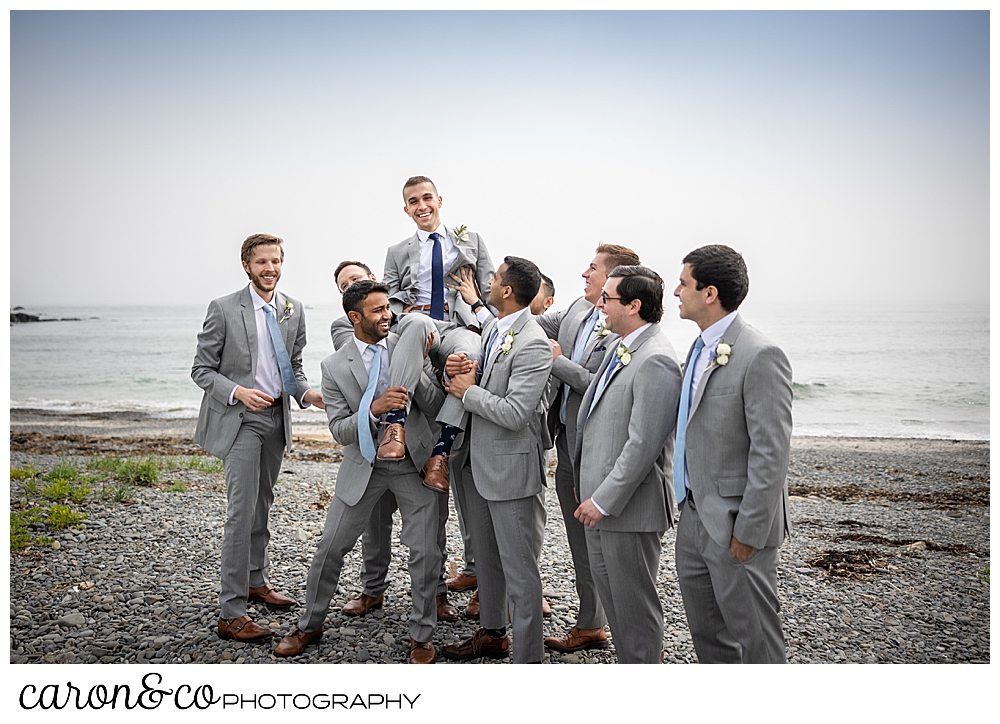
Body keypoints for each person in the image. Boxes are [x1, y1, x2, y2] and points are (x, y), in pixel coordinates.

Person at [274, 280, 444, 663]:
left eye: (389, 308)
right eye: (379, 310)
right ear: (355, 317)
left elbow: (433, 405)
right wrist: (373, 409)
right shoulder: (334, 367)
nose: (389, 315)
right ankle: (309, 624)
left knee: (425, 552)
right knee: (330, 546)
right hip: (363, 465)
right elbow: (338, 430)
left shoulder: (407, 344)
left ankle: (422, 635)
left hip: (411, 466)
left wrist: (417, 377)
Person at [192, 233, 323, 643]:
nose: (270, 269)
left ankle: (255, 581)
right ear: (247, 266)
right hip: (240, 420)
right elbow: (202, 370)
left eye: (276, 261)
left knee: (261, 507)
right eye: (262, 262)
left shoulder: (292, 309)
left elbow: (293, 368)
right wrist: (238, 391)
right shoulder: (224, 308)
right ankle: (231, 612)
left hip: (276, 422)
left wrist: (309, 394)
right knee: (240, 512)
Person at [672, 244, 793, 664]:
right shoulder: (697, 348)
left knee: (756, 639)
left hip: (736, 526)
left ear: (709, 293)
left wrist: (749, 534)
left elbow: (771, 453)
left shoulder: (760, 354)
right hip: (692, 516)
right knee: (708, 636)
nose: (675, 292)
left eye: (683, 283)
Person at [329, 261, 460, 623]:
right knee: (374, 524)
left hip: (416, 441)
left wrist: (418, 344)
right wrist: (410, 347)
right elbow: (362, 358)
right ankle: (373, 590)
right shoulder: (346, 326)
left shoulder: (400, 320)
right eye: (344, 285)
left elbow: (432, 357)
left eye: (356, 278)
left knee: (431, 530)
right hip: (373, 447)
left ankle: (436, 595)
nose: (350, 284)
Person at [439, 257, 552, 663]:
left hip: (510, 469)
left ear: (506, 291)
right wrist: (461, 368)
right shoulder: (496, 328)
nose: (488, 281)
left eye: (494, 277)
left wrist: (468, 392)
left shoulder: (533, 342)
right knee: (486, 560)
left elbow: (515, 412)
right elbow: (483, 379)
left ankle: (527, 660)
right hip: (477, 463)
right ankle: (491, 633)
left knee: (520, 573)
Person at [534, 244, 639, 654]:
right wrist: (478, 308)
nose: (584, 274)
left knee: (609, 549)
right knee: (580, 544)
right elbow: (537, 323)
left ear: (615, 278)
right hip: (565, 442)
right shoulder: (579, 308)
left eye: (593, 269)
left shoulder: (624, 332)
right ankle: (590, 623)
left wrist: (557, 361)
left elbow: (598, 383)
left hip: (598, 452)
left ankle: (639, 635)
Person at [573, 265, 681, 663]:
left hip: (628, 509)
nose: (600, 303)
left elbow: (642, 446)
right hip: (599, 502)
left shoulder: (655, 359)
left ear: (634, 305)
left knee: (635, 609)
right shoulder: (623, 347)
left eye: (608, 298)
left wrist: (602, 500)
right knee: (615, 606)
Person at [383, 175, 496, 493]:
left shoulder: (471, 240)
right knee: (417, 324)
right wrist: (402, 311)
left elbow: (490, 290)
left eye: (427, 198)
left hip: (457, 324)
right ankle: (396, 424)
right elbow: (388, 297)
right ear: (406, 210)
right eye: (414, 201)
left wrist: (483, 316)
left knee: (470, 353)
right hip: (417, 322)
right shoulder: (396, 252)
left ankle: (440, 455)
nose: (422, 206)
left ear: (439, 200)